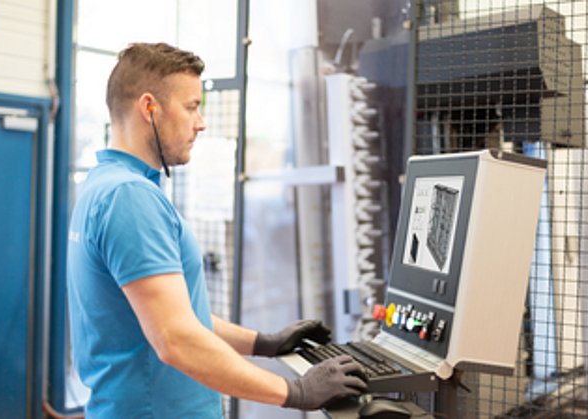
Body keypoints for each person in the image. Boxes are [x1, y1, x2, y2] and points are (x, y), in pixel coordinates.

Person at [66, 42, 367, 418]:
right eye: (191, 106)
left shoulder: (104, 185)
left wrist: (264, 343)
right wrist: (297, 392)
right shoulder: (129, 196)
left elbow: (176, 317)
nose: (201, 122)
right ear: (149, 108)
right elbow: (175, 339)